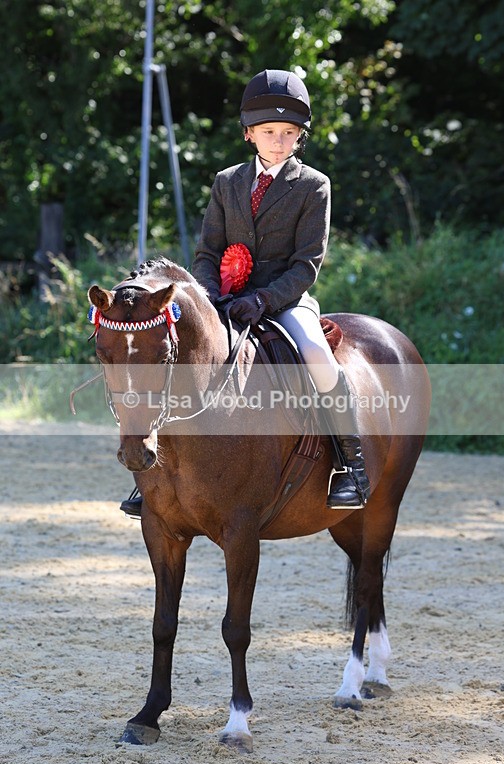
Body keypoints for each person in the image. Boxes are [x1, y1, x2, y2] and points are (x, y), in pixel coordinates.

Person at [121, 69, 370, 518]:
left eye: (289, 133)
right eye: (269, 132)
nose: (279, 141)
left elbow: (306, 265)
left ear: (299, 137)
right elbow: (206, 252)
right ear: (249, 133)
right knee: (171, 353)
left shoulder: (314, 186)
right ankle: (152, 478)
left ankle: (349, 467)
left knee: (317, 352)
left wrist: (264, 299)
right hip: (221, 300)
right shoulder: (227, 181)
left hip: (284, 300)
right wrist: (209, 295)